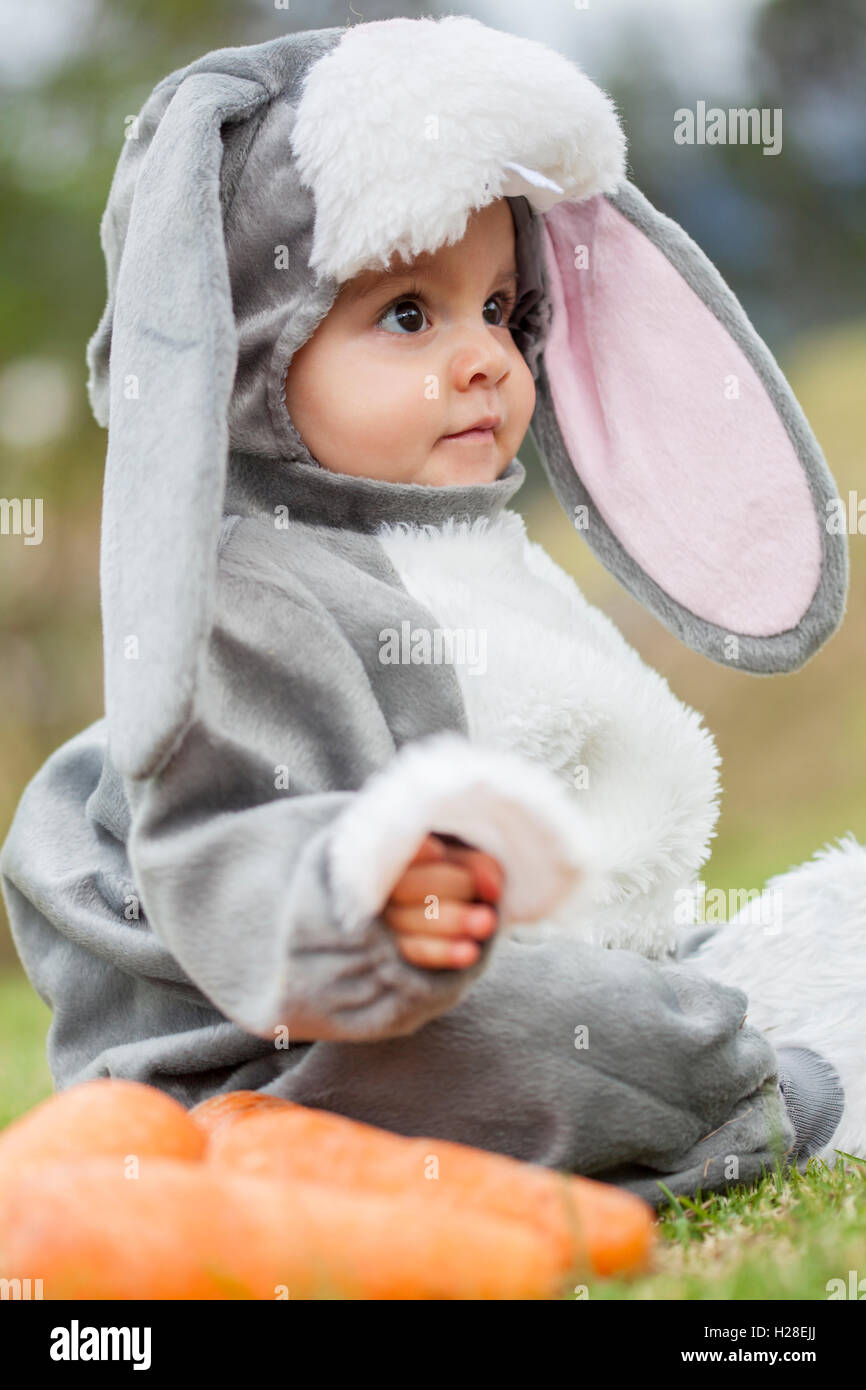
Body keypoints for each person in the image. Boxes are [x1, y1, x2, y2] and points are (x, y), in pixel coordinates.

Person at [1, 18, 859, 1208]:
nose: (486, 363)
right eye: (408, 314)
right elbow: (228, 850)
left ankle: (697, 1025)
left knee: (711, 961)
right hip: (287, 1034)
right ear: (255, 348)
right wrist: (377, 896)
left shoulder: (472, 555)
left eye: (505, 312)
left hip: (490, 971)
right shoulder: (257, 589)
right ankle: (736, 1091)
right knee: (525, 1027)